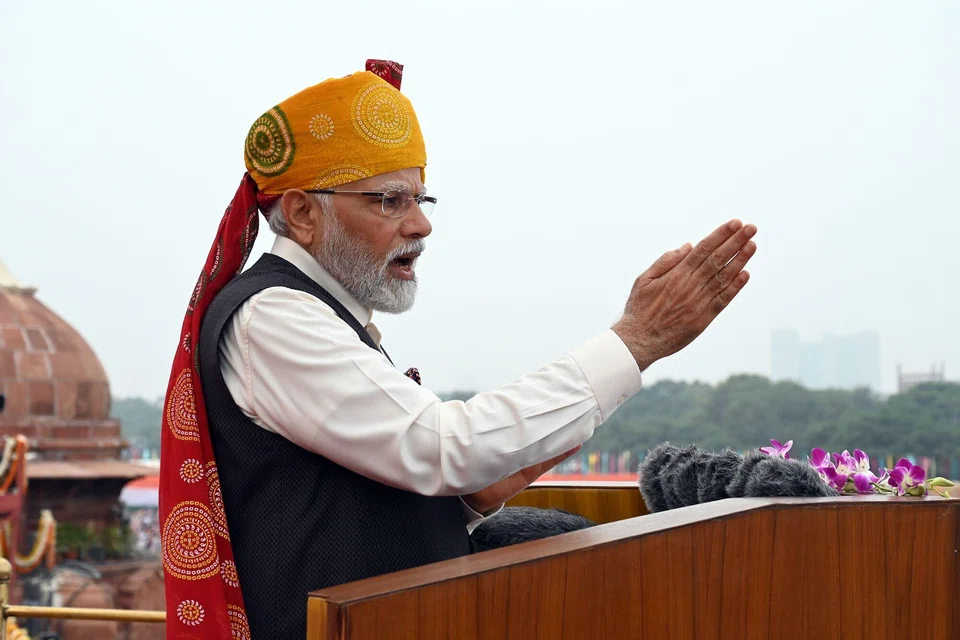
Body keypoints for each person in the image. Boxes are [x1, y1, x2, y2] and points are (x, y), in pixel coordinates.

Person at [158, 59, 757, 640]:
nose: (421, 225)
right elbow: (440, 445)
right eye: (390, 201)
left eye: (423, 199)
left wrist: (468, 503)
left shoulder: (319, 312)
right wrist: (637, 342)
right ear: (303, 213)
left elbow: (364, 499)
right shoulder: (272, 316)